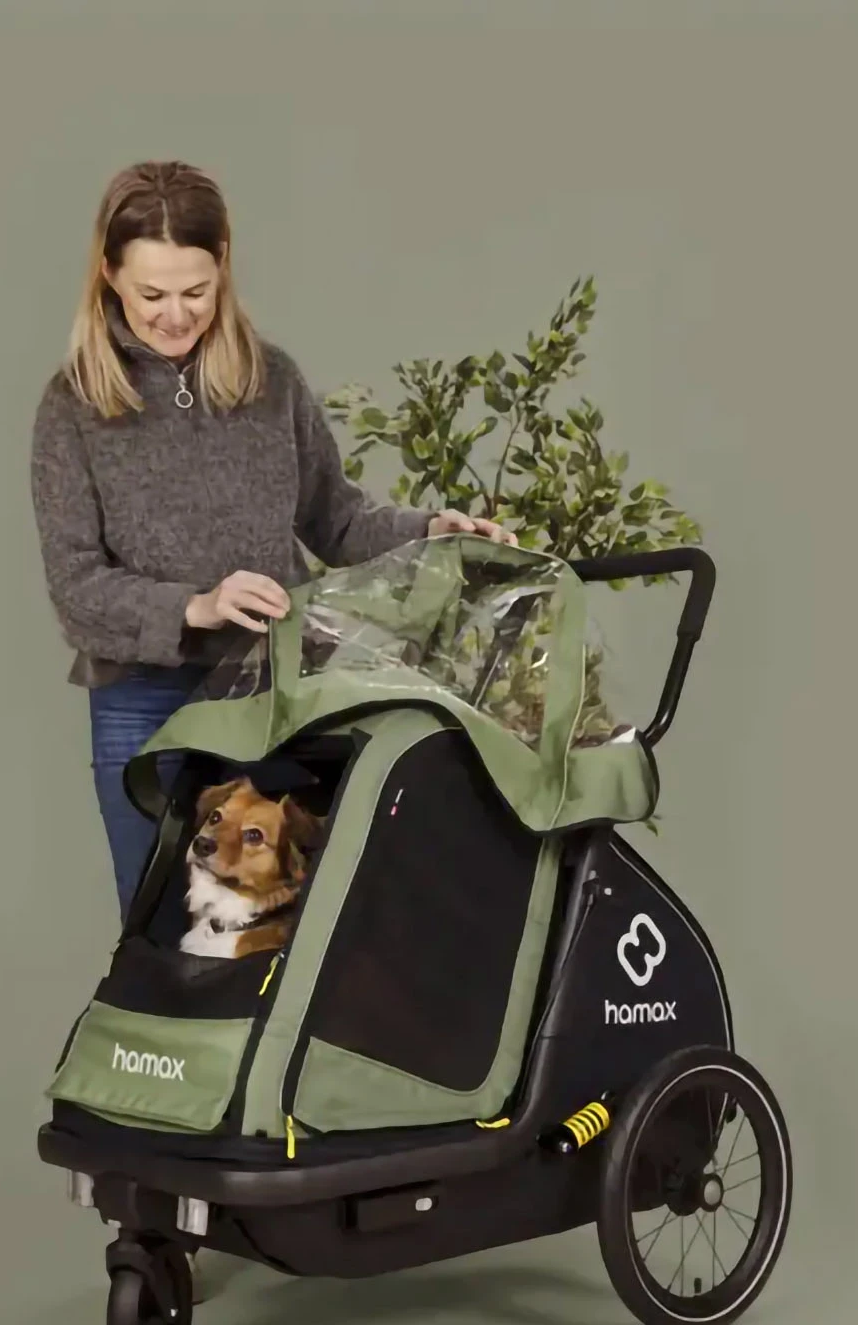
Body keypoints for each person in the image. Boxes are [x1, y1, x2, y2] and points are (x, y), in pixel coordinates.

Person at [30, 159, 516, 928]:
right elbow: (76, 586)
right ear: (109, 274)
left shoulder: (271, 381)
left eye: (195, 291)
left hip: (275, 691)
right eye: (152, 294)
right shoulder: (73, 408)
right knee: (160, 930)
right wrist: (196, 605)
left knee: (294, 926)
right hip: (144, 703)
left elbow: (337, 520)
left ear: (222, 265)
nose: (174, 315)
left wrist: (430, 531)